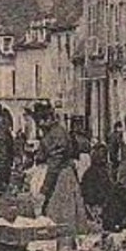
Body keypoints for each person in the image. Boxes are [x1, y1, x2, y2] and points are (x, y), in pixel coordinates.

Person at [32, 101, 90, 236]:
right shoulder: (52, 132)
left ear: (48, 119)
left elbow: (55, 163)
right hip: (58, 175)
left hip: (61, 178)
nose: (39, 125)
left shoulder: (56, 134)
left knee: (61, 217)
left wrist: (44, 190)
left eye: (40, 121)